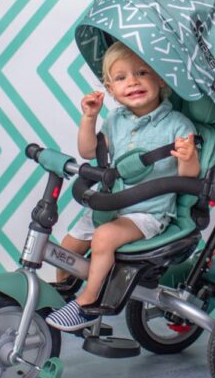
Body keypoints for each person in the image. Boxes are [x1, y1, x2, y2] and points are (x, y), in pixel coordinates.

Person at [47, 41, 200, 332]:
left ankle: (88, 304)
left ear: (160, 78)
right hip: (111, 204)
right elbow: (88, 151)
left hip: (147, 213)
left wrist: (188, 157)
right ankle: (63, 295)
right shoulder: (115, 120)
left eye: (142, 73)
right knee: (68, 246)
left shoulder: (177, 125)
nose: (132, 82)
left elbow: (188, 177)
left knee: (103, 237)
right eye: (121, 77)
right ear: (110, 88)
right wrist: (89, 118)